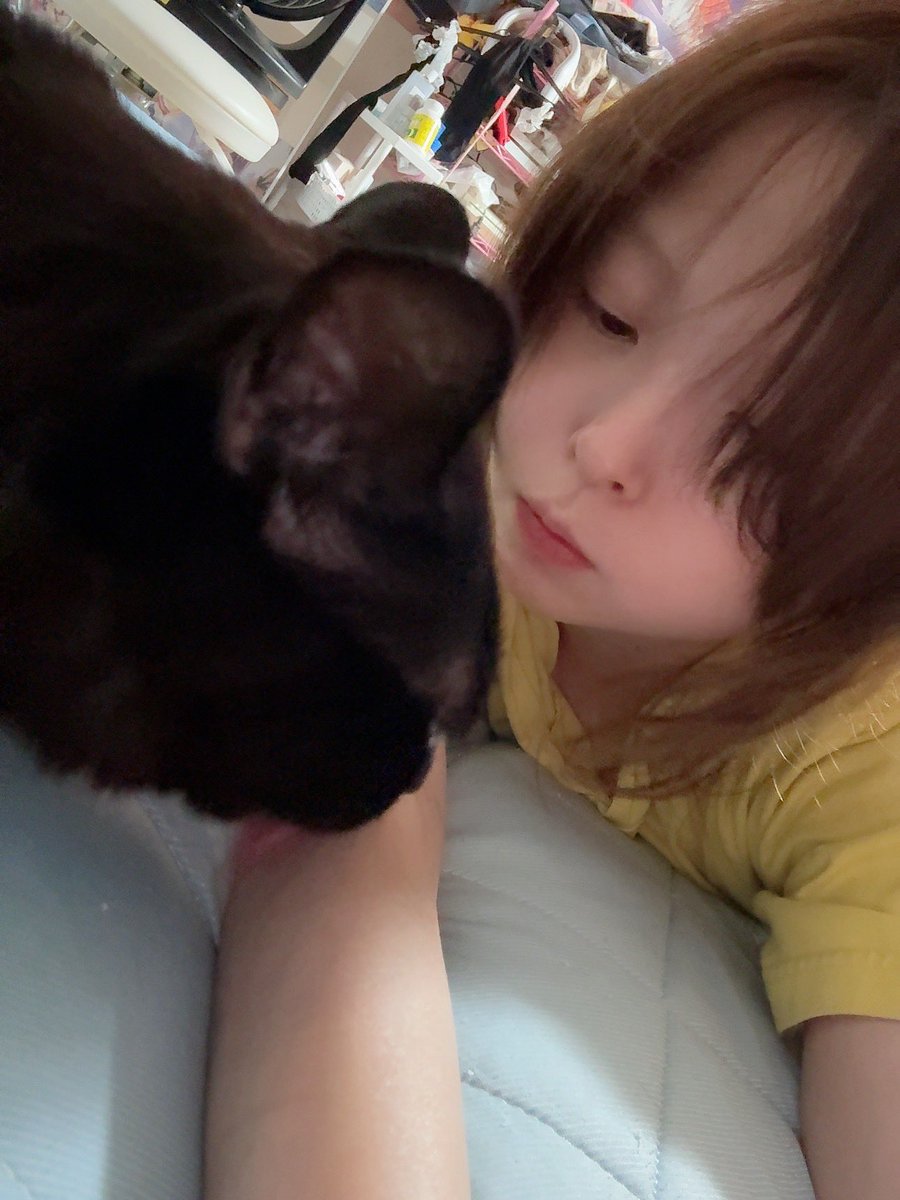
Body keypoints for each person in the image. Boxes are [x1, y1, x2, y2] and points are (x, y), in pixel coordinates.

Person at [204, 2, 900, 1198]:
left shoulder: (858, 753)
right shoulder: (456, 455)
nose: (601, 441)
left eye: (764, 462)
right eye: (612, 311)